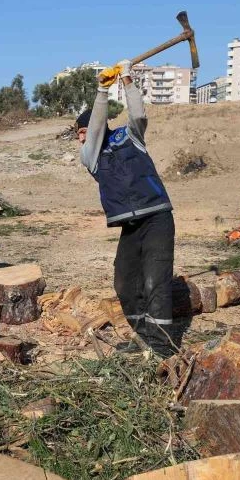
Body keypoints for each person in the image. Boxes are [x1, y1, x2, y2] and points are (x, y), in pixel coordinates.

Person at [77, 60, 178, 357]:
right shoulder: (90, 157)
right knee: (124, 282)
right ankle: (144, 337)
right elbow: (96, 130)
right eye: (78, 134)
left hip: (157, 216)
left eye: (82, 131)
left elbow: (138, 114)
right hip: (130, 226)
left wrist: (129, 81)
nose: (82, 137)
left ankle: (162, 349)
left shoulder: (130, 136)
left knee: (155, 282)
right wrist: (101, 91)